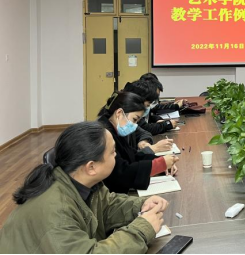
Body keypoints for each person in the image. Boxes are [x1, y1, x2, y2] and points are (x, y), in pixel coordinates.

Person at [0, 122, 168, 254]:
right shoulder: (57, 212)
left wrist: (139, 205)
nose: (116, 155)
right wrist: (142, 230)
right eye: (112, 152)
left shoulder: (82, 182)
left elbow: (107, 206)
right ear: (91, 167)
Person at [97, 91, 179, 194]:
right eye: (134, 119)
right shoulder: (103, 135)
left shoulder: (115, 128)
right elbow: (120, 173)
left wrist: (159, 160)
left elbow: (132, 156)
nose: (135, 125)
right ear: (119, 113)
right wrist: (157, 165)